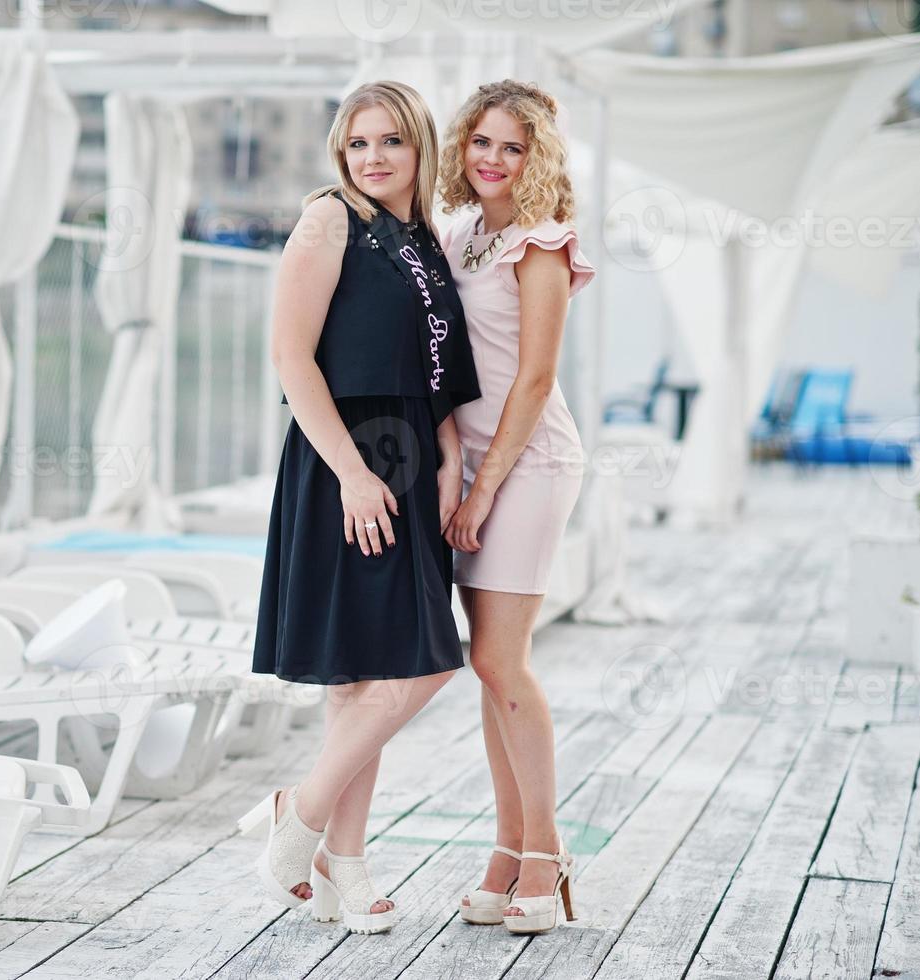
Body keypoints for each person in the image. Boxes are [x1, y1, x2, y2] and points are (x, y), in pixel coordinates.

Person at [243, 80, 480, 936]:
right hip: (348, 460)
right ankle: (299, 819)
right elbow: (291, 356)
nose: (372, 158)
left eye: (389, 142)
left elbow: (433, 365)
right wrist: (347, 471)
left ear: (418, 147)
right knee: (422, 663)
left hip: (410, 460)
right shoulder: (329, 219)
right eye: (356, 144)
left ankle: (343, 863)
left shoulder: (418, 238)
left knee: (367, 676)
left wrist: (451, 451)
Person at [438, 79, 595, 935]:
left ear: (537, 158)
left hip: (528, 463)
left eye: (513, 146)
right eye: (482, 142)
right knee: (487, 665)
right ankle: (507, 850)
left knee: (504, 661)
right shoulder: (460, 233)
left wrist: (486, 485)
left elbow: (532, 379)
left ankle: (543, 850)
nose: (493, 159)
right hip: (474, 468)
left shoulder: (540, 244)